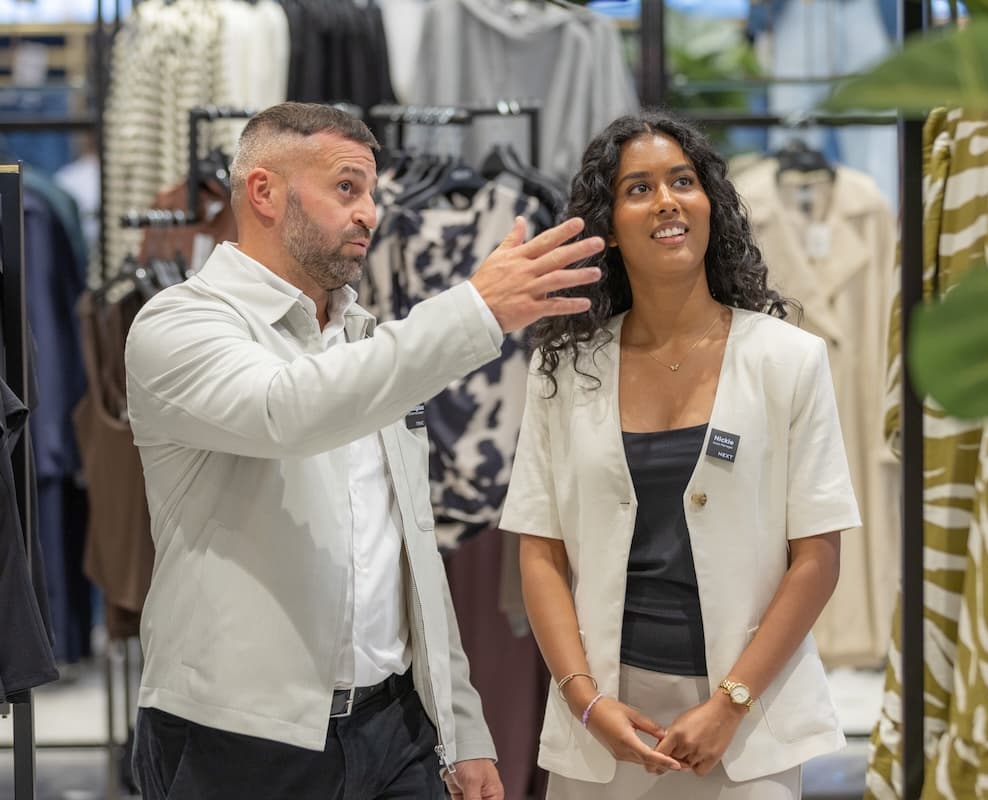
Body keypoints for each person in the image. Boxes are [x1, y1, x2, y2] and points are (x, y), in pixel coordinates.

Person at [124, 101, 604, 800]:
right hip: (238, 740)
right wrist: (475, 310)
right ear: (264, 192)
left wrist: (461, 726)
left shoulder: (365, 341)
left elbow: (411, 548)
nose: (371, 213)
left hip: (396, 730)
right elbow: (287, 410)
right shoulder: (178, 324)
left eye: (372, 192)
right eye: (347, 188)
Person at [499, 111, 862, 799]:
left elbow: (817, 556)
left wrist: (729, 705)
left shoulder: (788, 360)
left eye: (682, 181)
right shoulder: (564, 367)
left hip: (745, 725)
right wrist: (586, 701)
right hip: (604, 726)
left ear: (710, 204)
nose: (666, 201)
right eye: (639, 188)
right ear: (608, 223)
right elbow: (540, 552)